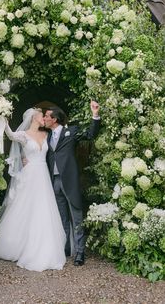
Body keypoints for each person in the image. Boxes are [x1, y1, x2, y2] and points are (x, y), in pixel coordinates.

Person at [0, 108, 66, 272]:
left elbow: (52, 152)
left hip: (43, 177)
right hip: (30, 176)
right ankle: (15, 245)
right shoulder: (24, 135)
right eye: (42, 116)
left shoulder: (46, 135)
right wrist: (1, 117)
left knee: (43, 210)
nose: (44, 118)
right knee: (25, 209)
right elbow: (11, 135)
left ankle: (43, 246)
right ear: (34, 118)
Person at [44, 101, 100, 266]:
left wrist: (95, 114)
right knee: (61, 218)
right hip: (53, 182)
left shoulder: (71, 131)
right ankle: (65, 249)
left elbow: (90, 134)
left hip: (69, 180)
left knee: (76, 218)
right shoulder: (46, 136)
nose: (44, 119)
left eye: (47, 116)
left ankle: (80, 253)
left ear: (54, 119)